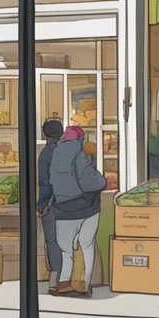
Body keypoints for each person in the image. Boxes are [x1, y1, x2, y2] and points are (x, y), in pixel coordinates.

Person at [48, 125, 108, 297]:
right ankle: (84, 283)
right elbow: (91, 182)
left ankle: (64, 282)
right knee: (87, 244)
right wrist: (102, 181)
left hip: (62, 209)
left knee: (66, 249)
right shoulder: (81, 156)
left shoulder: (55, 155)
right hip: (86, 208)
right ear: (80, 140)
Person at [36, 119, 65, 292]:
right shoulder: (67, 151)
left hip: (52, 203)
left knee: (52, 241)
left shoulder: (46, 153)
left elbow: (45, 182)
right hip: (70, 203)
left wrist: (42, 205)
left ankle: (56, 278)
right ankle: (69, 277)